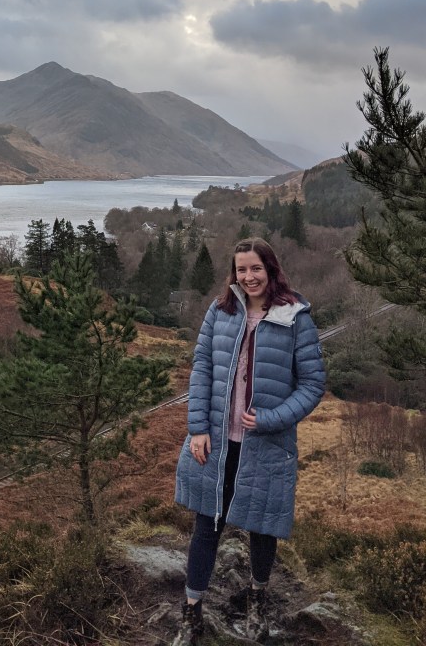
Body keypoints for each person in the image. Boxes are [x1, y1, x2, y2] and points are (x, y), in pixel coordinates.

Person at [174, 238, 325, 644]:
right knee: (206, 524)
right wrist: (197, 428)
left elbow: (313, 384)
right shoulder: (220, 310)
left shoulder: (295, 317)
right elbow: (202, 368)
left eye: (256, 268)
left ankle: (257, 600)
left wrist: (271, 419)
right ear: (234, 272)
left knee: (262, 528)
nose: (248, 276)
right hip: (218, 441)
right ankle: (191, 613)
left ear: (270, 269)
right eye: (241, 269)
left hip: (266, 444)